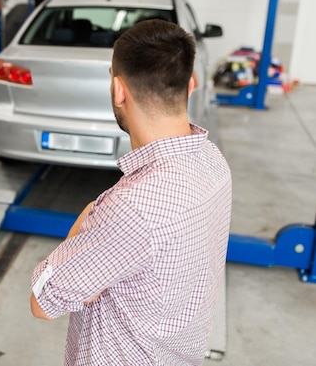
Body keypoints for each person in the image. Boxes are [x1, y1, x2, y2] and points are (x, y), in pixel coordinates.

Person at [29, 19, 232, 365]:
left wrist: (92, 212)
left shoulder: (131, 207)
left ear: (118, 90)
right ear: (191, 84)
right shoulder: (214, 163)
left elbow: (43, 300)